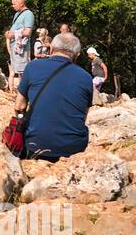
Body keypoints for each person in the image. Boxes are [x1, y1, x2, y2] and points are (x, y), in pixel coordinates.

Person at [14, 33, 94, 161]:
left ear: (51, 49)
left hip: (36, 144)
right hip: (73, 149)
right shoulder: (86, 78)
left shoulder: (33, 67)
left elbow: (19, 106)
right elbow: (82, 117)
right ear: (77, 56)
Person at [5, 0, 35, 87]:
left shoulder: (28, 14)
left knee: (23, 71)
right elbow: (15, 29)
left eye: (14, 4)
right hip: (15, 47)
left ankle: (24, 94)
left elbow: (27, 32)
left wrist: (13, 34)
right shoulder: (17, 14)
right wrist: (9, 34)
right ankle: (20, 93)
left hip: (22, 48)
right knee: (18, 72)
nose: (13, 6)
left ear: (20, 3)